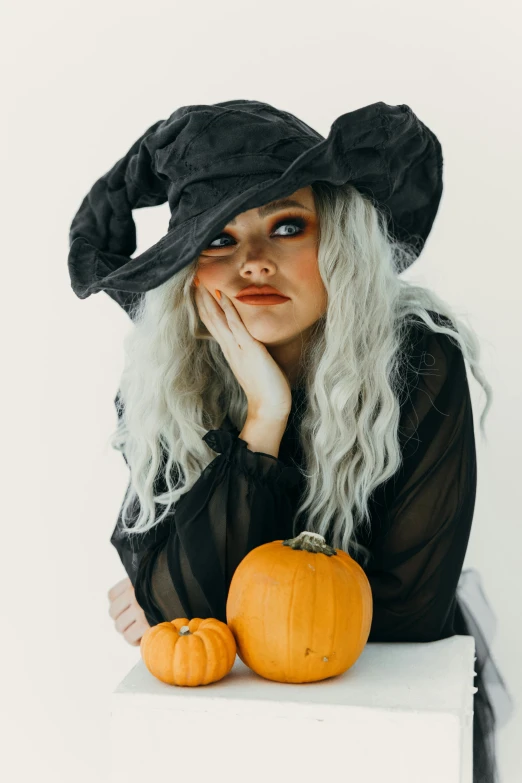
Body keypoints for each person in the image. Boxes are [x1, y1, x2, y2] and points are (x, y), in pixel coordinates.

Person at [104, 180, 513, 783]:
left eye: (288, 226)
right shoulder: (168, 382)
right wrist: (264, 417)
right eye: (219, 238)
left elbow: (410, 611)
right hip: (232, 731)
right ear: (191, 271)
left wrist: (191, 594)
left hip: (384, 723)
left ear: (340, 245)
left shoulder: (421, 360)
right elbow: (181, 616)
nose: (253, 261)